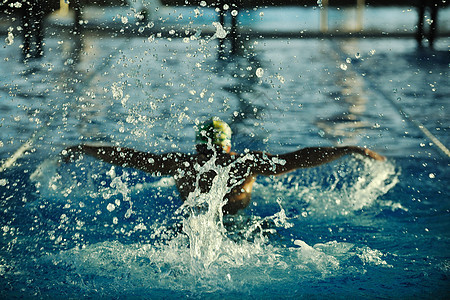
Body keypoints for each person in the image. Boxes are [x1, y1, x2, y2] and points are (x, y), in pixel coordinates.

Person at [61, 117, 386, 215]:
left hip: (192, 225)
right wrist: (347, 149)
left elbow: (128, 156)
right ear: (228, 144)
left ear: (198, 144)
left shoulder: (182, 163)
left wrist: (85, 148)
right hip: (238, 227)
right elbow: (299, 158)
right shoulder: (245, 163)